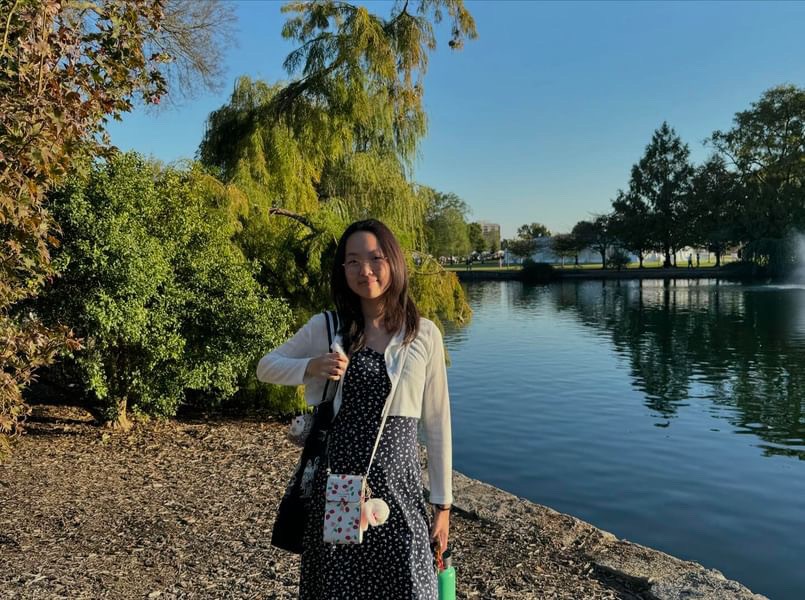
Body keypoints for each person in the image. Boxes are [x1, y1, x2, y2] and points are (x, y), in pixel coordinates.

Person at [257, 219, 452, 600]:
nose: (365, 270)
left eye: (376, 258)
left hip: (400, 485)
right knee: (338, 586)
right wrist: (312, 366)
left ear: (394, 261)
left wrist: (442, 505)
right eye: (353, 261)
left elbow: (438, 422)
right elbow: (267, 366)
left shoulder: (422, 333)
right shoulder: (327, 327)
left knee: (411, 584)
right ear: (342, 269)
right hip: (340, 486)